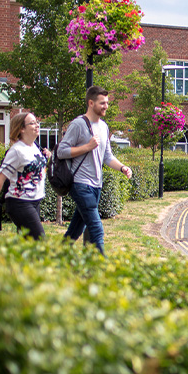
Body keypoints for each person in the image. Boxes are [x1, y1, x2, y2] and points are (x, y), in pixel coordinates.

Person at [57, 86, 132, 255]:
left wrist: (122, 167)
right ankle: (101, 268)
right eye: (102, 103)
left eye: (107, 102)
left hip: (96, 185)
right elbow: (61, 151)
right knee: (96, 229)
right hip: (80, 184)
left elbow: (107, 156)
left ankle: (57, 257)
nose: (106, 106)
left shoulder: (104, 127)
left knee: (77, 227)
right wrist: (87, 147)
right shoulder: (78, 124)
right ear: (91, 103)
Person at [0, 112, 50, 239]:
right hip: (19, 203)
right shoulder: (16, 151)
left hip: (34, 201)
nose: (37, 126)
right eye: (32, 123)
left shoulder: (34, 146)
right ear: (21, 129)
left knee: (27, 244)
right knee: (39, 240)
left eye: (37, 122)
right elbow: (0, 178)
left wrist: (48, 157)